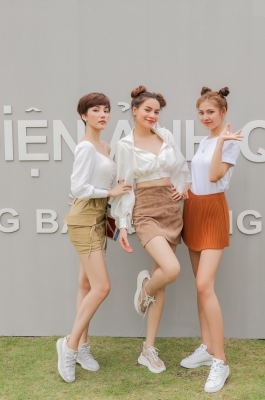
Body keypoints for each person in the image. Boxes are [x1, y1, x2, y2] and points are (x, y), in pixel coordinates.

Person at [111, 85, 191, 373]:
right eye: (147, 110)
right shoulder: (125, 145)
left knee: (163, 278)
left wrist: (182, 188)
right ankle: (144, 290)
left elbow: (180, 169)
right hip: (145, 210)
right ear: (134, 110)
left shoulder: (165, 136)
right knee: (171, 269)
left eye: (157, 111)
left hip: (170, 209)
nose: (153, 115)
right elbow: (124, 185)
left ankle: (148, 349)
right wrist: (122, 225)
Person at [56, 92, 131, 383]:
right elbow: (78, 188)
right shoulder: (86, 147)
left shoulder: (105, 146)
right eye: (96, 110)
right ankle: (70, 345)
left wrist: (117, 208)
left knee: (86, 284)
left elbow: (109, 186)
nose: (103, 115)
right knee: (102, 287)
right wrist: (110, 191)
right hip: (84, 218)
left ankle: (82, 346)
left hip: (99, 218)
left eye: (106, 110)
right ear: (84, 116)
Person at [179, 86, 242, 393]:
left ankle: (221, 360)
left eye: (211, 112)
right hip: (193, 208)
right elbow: (199, 177)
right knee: (199, 286)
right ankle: (206, 347)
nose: (205, 117)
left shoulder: (230, 142)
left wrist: (221, 143)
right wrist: (184, 188)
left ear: (223, 112)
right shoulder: (205, 140)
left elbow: (215, 175)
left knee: (206, 285)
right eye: (201, 113)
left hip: (214, 210)